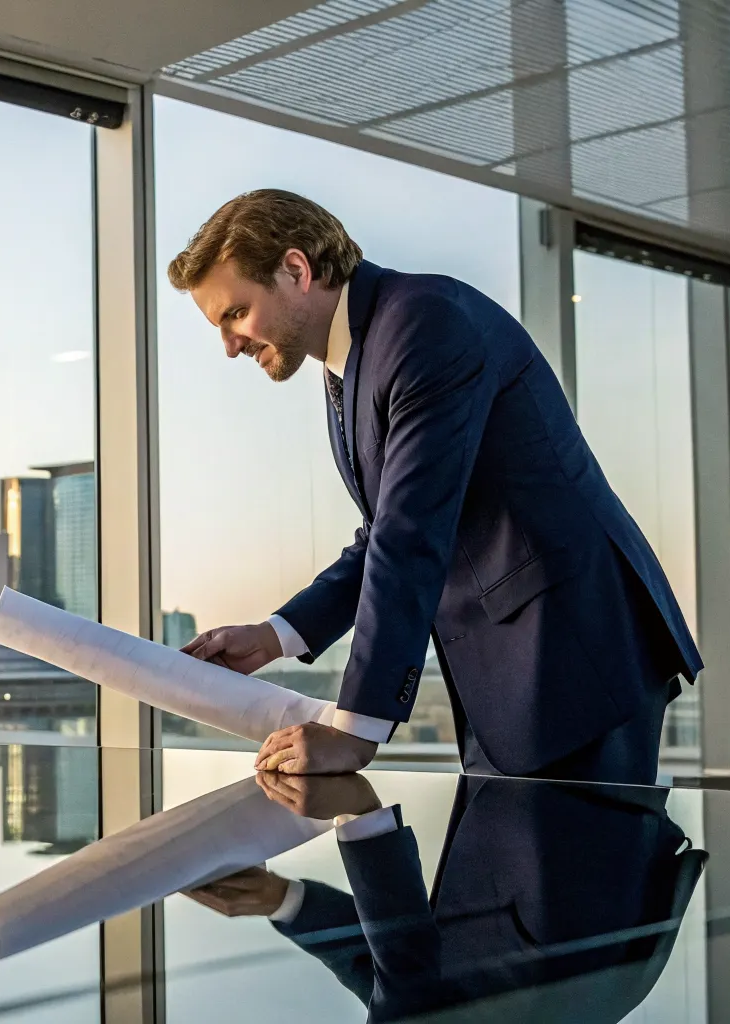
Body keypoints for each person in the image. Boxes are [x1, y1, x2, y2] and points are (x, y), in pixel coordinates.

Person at [172, 189, 700, 785]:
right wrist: (277, 636)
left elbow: (410, 532)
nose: (230, 344)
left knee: (582, 873)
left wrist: (355, 728)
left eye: (235, 313)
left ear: (296, 270)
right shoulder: (353, 361)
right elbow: (385, 530)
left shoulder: (423, 322)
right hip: (516, 672)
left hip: (576, 659)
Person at [185, 772, 705, 1021]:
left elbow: (401, 988)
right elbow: (407, 988)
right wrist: (360, 815)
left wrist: (283, 900)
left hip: (603, 820)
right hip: (556, 818)